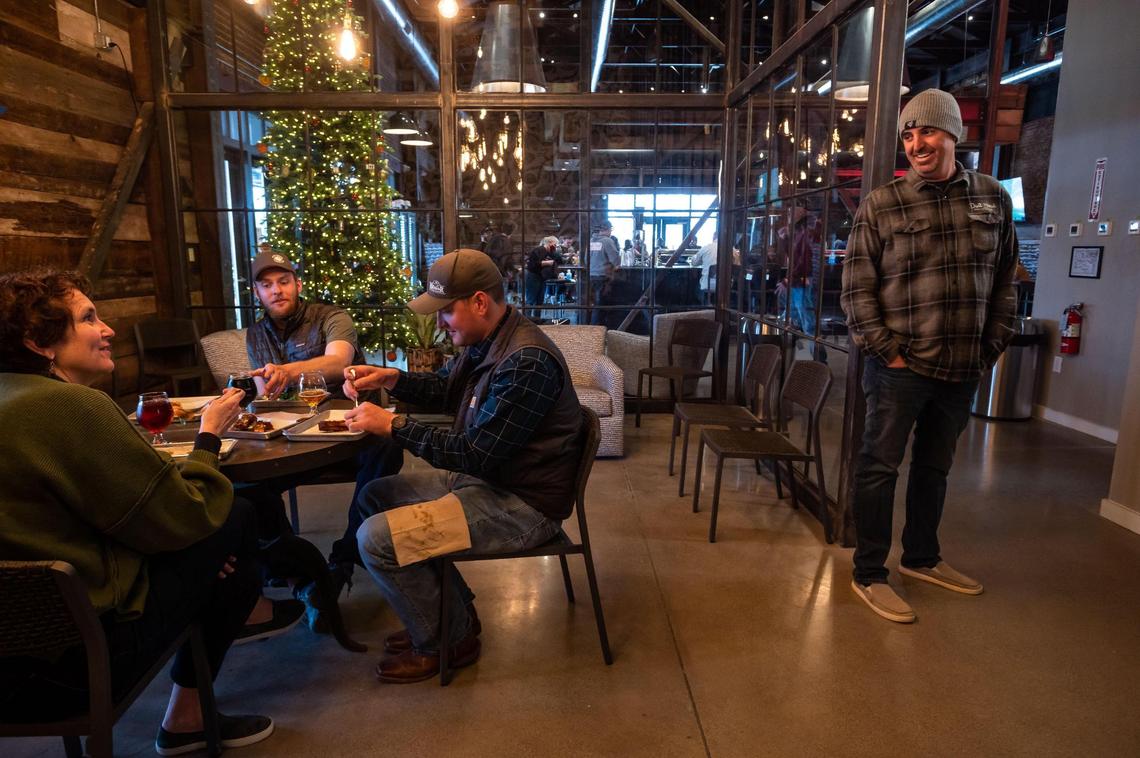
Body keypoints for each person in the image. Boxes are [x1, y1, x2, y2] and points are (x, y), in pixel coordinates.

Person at [0, 269, 276, 754]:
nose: (109, 330)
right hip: (73, 665)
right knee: (234, 520)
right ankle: (186, 718)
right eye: (90, 318)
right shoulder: (73, 407)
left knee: (214, 541)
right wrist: (209, 435)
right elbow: (186, 517)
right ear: (39, 342)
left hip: (10, 660)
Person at [341, 249, 583, 684]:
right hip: (492, 481)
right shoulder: (490, 340)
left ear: (478, 302)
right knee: (374, 498)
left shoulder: (524, 361)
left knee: (376, 538)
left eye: (445, 312)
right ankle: (451, 618)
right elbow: (443, 387)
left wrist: (392, 425)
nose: (438, 323)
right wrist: (389, 378)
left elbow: (473, 453)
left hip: (523, 504)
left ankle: (445, 642)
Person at [840, 89, 1018, 623]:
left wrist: (992, 346)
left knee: (935, 468)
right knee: (878, 468)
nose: (917, 143)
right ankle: (870, 571)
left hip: (963, 366)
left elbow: (1008, 281)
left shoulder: (991, 198)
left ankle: (921, 558)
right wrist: (887, 352)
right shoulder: (883, 204)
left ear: (953, 135)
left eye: (928, 132)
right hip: (901, 367)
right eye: (909, 134)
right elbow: (856, 290)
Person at [245, 248, 403, 614]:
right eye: (266, 285)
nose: (277, 290)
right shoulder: (255, 334)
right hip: (293, 437)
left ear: (297, 284)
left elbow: (337, 361)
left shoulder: (332, 317)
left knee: (387, 447)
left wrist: (289, 371)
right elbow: (264, 396)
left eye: (283, 281)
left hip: (346, 429)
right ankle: (297, 574)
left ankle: (344, 559)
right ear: (257, 293)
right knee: (243, 487)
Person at [588, 220, 621, 325]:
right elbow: (615, 259)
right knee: (601, 306)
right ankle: (598, 330)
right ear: (606, 229)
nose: (611, 232)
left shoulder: (591, 241)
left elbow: (585, 259)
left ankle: (592, 328)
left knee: (594, 304)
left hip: (591, 276)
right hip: (603, 277)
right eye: (610, 229)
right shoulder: (607, 241)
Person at [524, 235, 563, 316]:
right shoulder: (538, 250)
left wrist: (555, 251)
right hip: (533, 276)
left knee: (540, 300)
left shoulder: (550, 252)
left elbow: (559, 260)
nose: (556, 247)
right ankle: (527, 319)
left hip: (542, 278)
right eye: (555, 245)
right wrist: (546, 263)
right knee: (531, 299)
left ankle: (537, 319)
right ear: (550, 243)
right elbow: (532, 264)